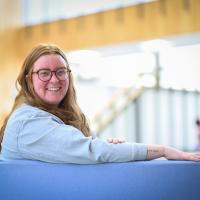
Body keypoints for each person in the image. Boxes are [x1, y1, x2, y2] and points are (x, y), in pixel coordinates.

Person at [0, 43, 200, 164]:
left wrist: (104, 144)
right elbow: (93, 151)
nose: (54, 80)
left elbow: (88, 148)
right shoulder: (27, 122)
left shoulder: (56, 115)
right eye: (44, 73)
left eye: (61, 71)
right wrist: (163, 150)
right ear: (28, 79)